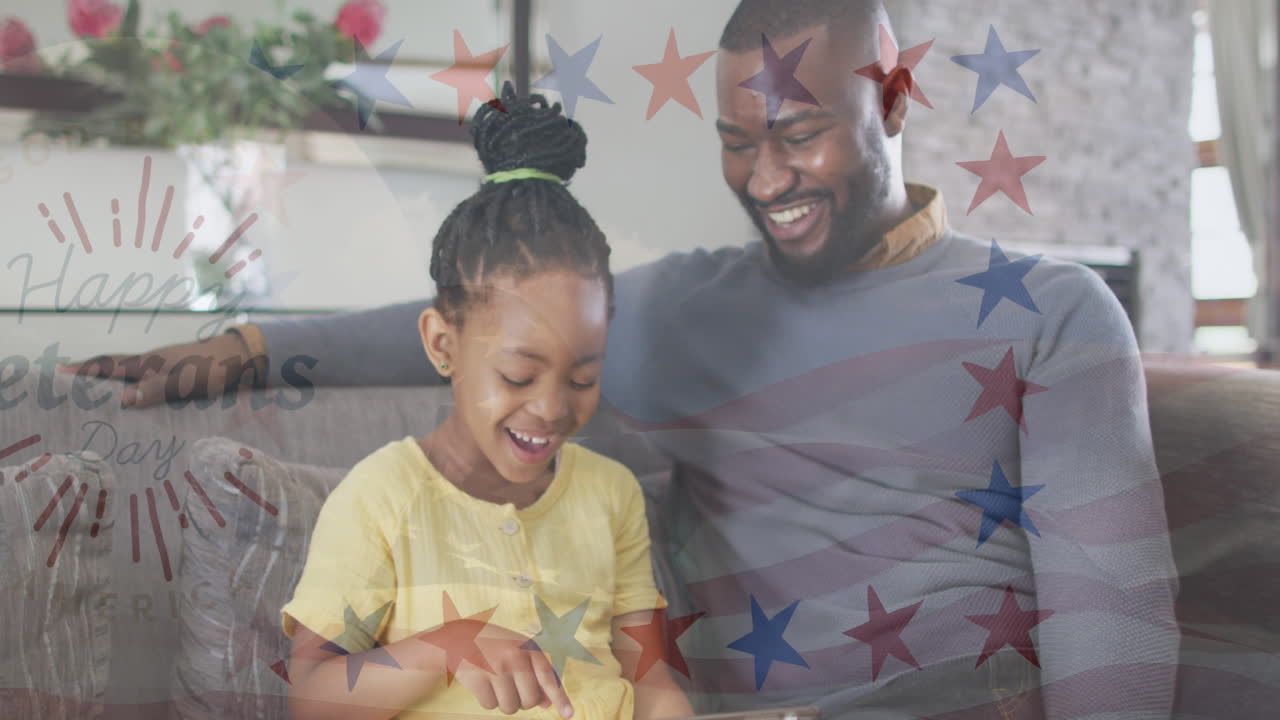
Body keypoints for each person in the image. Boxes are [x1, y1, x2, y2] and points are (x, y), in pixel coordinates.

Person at [66, 1, 1179, 717]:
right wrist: (251, 345)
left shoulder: (1050, 311)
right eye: (736, 144)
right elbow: (479, 320)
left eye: (797, 135)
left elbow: (1111, 606)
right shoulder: (685, 305)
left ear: (890, 98)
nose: (763, 180)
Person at [279, 86, 694, 720]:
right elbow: (311, 699)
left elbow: (649, 675)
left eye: (583, 377)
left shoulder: (611, 494)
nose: (553, 408)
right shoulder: (383, 496)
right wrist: (447, 645)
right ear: (443, 344)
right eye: (520, 375)